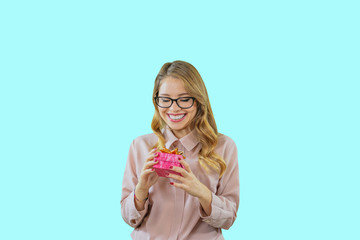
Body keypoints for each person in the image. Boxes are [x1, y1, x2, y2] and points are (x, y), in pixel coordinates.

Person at [121, 60, 239, 240]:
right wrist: (142, 189)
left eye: (184, 99)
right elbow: (129, 218)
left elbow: (228, 219)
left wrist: (200, 191)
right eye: (165, 99)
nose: (174, 108)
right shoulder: (140, 146)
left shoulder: (223, 147)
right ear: (156, 100)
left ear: (199, 101)